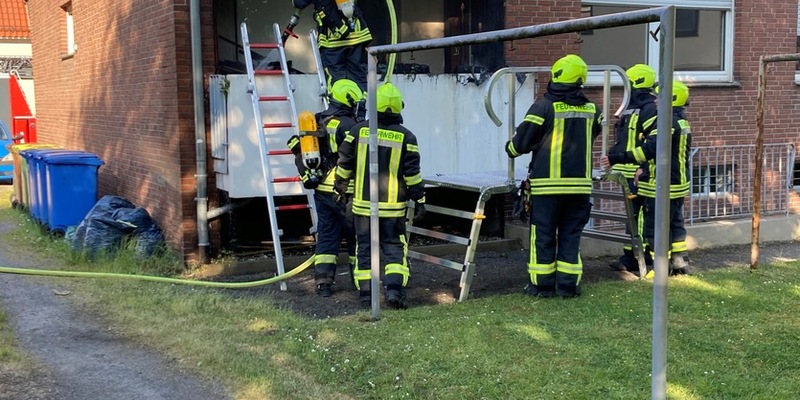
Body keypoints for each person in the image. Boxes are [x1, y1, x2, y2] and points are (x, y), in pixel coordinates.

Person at [505, 54, 602, 298]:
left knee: (544, 235)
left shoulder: (543, 107)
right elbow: (594, 133)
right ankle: (569, 286)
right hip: (580, 187)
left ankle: (542, 286)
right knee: (571, 235)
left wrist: (511, 147)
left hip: (547, 188)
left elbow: (520, 144)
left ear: (557, 76)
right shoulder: (592, 109)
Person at [334, 82, 426, 309]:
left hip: (363, 207)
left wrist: (341, 187)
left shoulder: (357, 131)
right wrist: (420, 200)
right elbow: (412, 174)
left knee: (364, 249)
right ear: (399, 108)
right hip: (394, 209)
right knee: (394, 249)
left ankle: (366, 295)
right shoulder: (407, 137)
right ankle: (394, 292)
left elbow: (344, 162)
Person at [601, 80, 693, 277]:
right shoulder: (681, 120)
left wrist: (615, 158)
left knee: (654, 227)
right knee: (674, 224)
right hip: (678, 183)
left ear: (671, 99)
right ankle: (679, 264)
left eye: (660, 97)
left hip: (661, 184)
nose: (656, 100)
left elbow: (650, 149)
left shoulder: (666, 122)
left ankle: (660, 269)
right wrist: (643, 169)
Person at [287, 79, 363, 297]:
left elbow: (295, 144)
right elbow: (355, 158)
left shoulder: (318, 120)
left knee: (328, 236)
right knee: (355, 237)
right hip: (344, 190)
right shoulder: (349, 125)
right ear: (348, 100)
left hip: (321, 189)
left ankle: (323, 283)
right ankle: (360, 282)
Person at [608, 64, 658, 273]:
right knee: (632, 218)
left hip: (638, 173)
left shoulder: (650, 109)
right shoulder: (631, 107)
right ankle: (631, 256)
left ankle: (641, 258)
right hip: (626, 171)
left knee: (639, 218)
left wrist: (643, 168)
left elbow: (653, 144)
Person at [289, 0, 372, 96]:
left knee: (336, 80)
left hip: (333, 41)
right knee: (358, 76)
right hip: (356, 35)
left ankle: (339, 108)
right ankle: (362, 107)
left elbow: (299, 2)